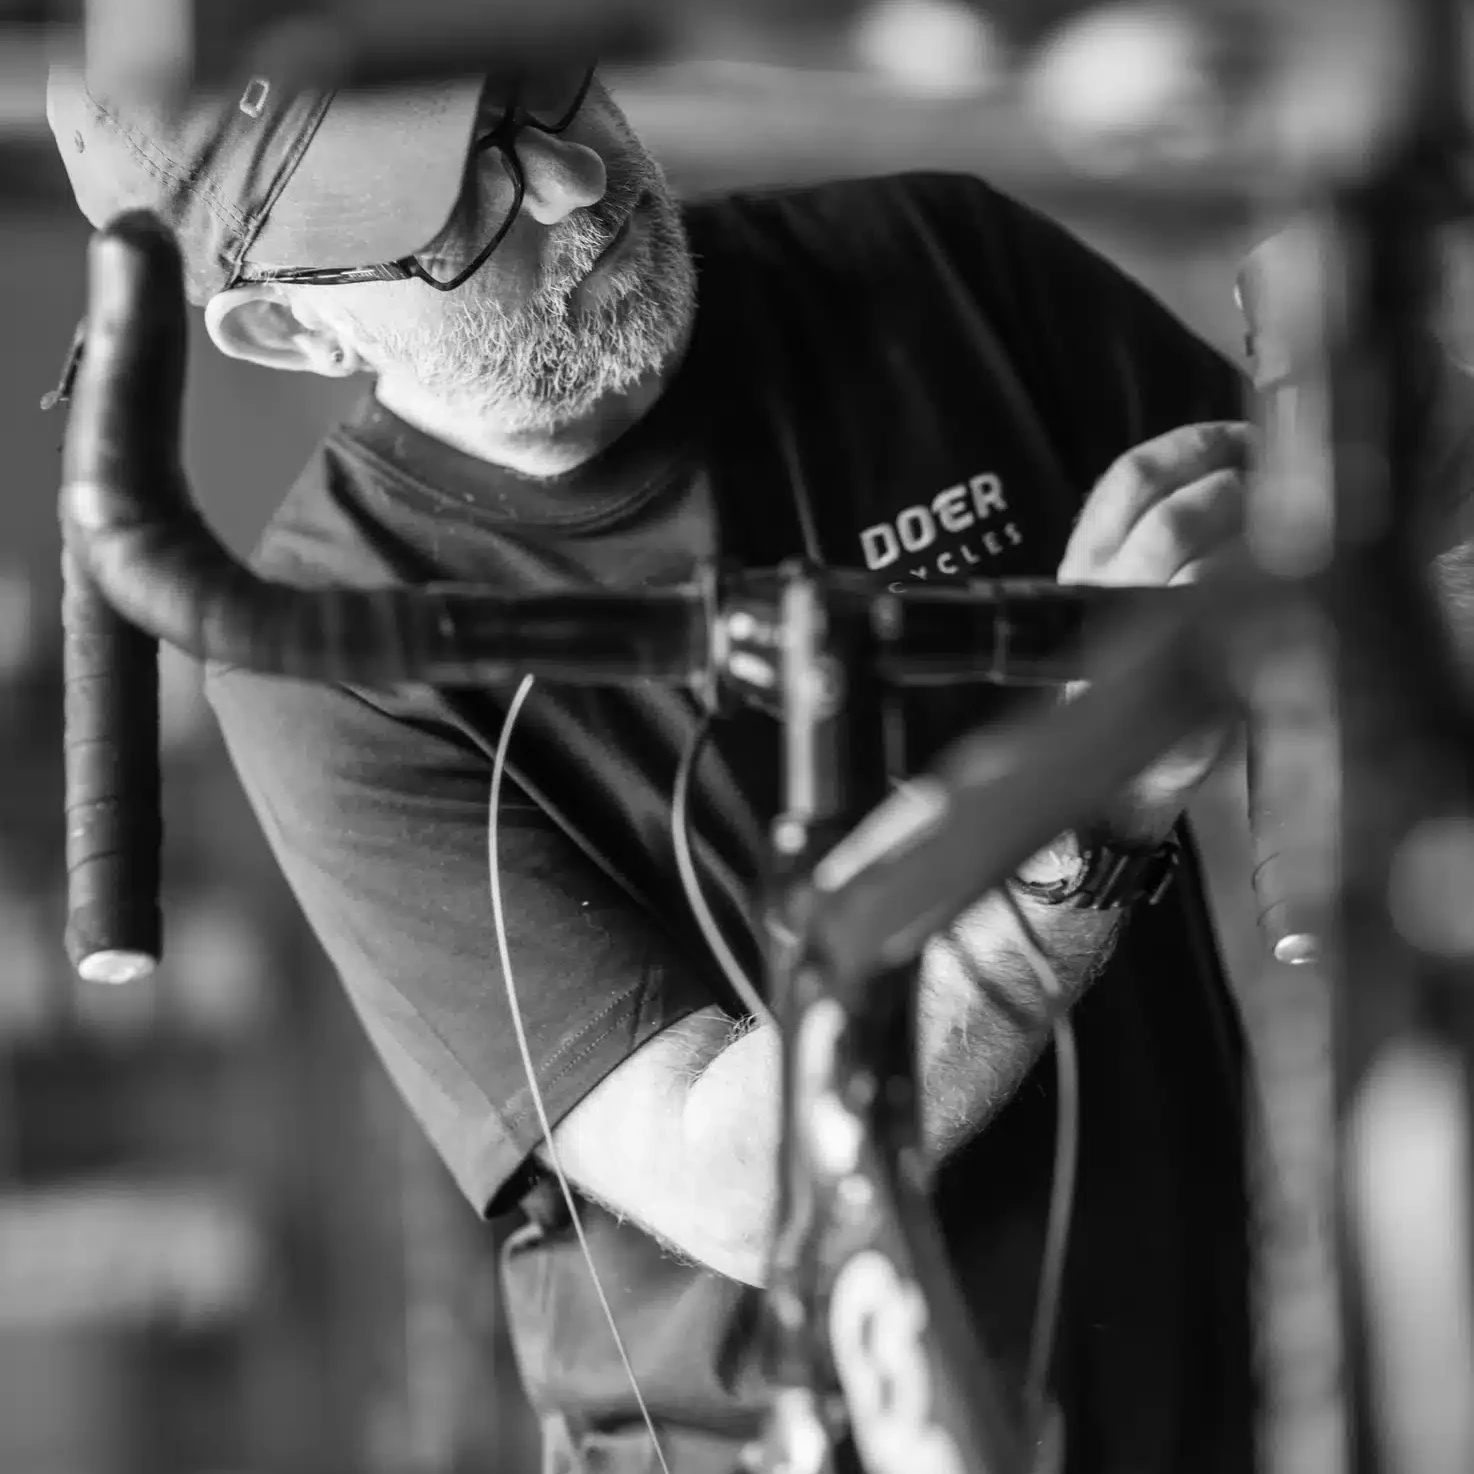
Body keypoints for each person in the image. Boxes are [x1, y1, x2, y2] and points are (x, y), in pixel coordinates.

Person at [46, 57, 1256, 1474]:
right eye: (454, 205)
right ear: (292, 327)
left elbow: (1405, 582)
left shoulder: (931, 264)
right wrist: (1093, 795)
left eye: (537, 90)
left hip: (1205, 1377)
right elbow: (746, 1179)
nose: (574, 182)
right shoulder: (328, 658)